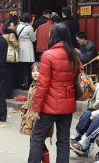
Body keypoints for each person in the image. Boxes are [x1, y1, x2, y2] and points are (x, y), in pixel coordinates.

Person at [27, 23, 80, 163]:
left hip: (50, 105)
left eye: (51, 33)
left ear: (55, 36)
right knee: (63, 141)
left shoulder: (48, 55)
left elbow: (43, 85)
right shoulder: (73, 54)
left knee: (37, 137)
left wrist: (36, 108)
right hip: (67, 103)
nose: (49, 35)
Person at [20, 63, 52, 157]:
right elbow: (29, 100)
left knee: (37, 143)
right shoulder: (33, 84)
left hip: (38, 118)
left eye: (38, 71)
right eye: (33, 71)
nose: (35, 73)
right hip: (31, 117)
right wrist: (24, 109)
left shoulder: (42, 86)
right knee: (37, 143)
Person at [17, 13, 36, 89]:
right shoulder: (29, 28)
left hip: (20, 46)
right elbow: (33, 39)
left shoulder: (18, 26)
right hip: (27, 47)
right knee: (27, 66)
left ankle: (21, 83)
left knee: (21, 65)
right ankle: (26, 83)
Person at [2, 20, 19, 98]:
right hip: (10, 54)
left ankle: (4, 93)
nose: (14, 26)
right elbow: (16, 44)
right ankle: (8, 94)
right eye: (12, 25)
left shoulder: (3, 33)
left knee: (5, 75)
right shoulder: (11, 34)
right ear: (9, 26)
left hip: (4, 54)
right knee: (10, 76)